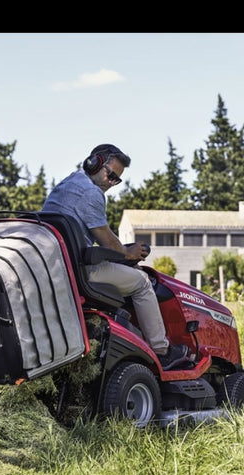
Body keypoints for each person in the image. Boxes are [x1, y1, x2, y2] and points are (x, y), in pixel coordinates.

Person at [42, 143, 189, 371]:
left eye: (117, 180)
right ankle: (162, 352)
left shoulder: (66, 185)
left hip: (61, 266)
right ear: (95, 162)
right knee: (141, 283)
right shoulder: (91, 192)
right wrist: (128, 252)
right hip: (79, 271)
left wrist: (121, 251)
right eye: (110, 174)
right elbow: (107, 241)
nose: (111, 182)